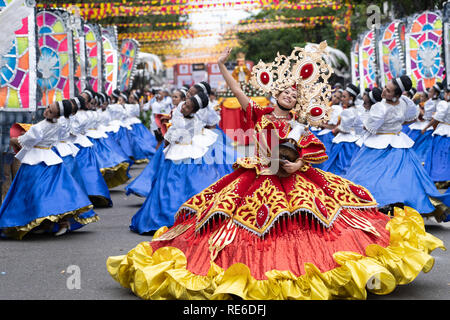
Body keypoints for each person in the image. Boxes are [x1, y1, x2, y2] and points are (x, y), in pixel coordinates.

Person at [107, 43, 444, 300]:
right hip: (258, 179)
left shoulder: (299, 123)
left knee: (322, 224)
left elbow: (313, 150)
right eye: (284, 91)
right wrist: (223, 67)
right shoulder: (258, 114)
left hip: (297, 180)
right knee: (230, 224)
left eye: (294, 93)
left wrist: (298, 163)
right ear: (275, 94)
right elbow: (238, 92)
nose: (289, 94)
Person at [344, 76, 450, 222]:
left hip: (380, 145)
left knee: (374, 177)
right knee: (401, 178)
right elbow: (411, 118)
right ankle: (393, 207)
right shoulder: (405, 103)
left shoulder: (380, 107)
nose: (383, 92)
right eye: (385, 88)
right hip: (396, 142)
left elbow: (370, 128)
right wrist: (396, 125)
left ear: (397, 95)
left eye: (388, 91)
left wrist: (362, 123)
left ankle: (384, 206)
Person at [129, 91, 234, 234]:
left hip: (181, 154)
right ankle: (172, 216)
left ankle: (180, 217)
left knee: (176, 185)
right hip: (178, 153)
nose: (184, 107)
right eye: (185, 104)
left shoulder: (185, 121)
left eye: (188, 107)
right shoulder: (187, 119)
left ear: (194, 110)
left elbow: (170, 138)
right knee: (170, 187)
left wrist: (167, 143)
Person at [0, 100, 98, 239]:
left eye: (50, 111)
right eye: (47, 108)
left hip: (37, 160)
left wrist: (11, 138)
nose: (46, 111)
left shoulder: (40, 127)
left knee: (34, 193)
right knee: (51, 194)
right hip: (50, 158)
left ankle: (45, 223)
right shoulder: (58, 124)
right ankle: (47, 224)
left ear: (57, 115)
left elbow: (26, 141)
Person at [125, 87, 187, 198]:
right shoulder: (169, 107)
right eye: (173, 96)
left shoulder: (182, 109)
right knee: (156, 166)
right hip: (164, 134)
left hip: (176, 142)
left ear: (183, 99)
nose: (173, 99)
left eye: (176, 97)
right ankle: (147, 188)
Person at [316, 84, 363, 175]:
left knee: (338, 167)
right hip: (353, 141)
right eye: (341, 96)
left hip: (345, 143)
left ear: (351, 98)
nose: (342, 99)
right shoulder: (356, 109)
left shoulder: (348, 112)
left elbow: (344, 128)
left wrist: (335, 130)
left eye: (344, 97)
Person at [422, 86, 450, 185]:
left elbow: (437, 118)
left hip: (443, 133)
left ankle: (440, 178)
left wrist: (426, 127)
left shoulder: (444, 104)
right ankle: (446, 178)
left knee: (439, 156)